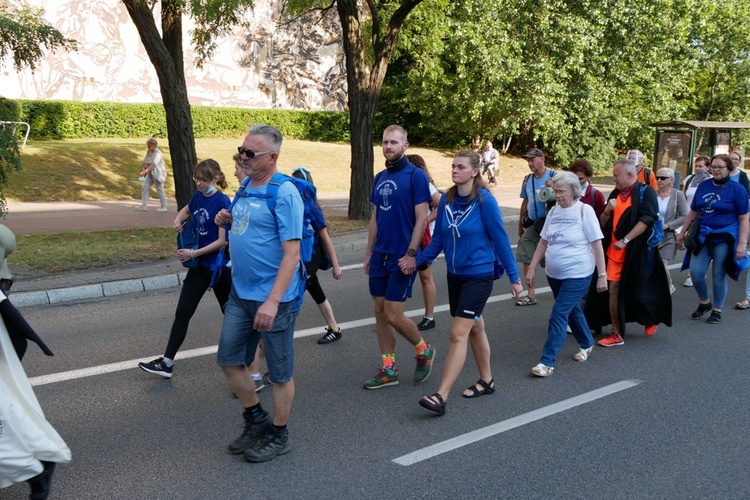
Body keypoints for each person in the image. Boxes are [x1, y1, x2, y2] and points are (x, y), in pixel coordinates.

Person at [214, 124, 304, 463]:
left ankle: (279, 435)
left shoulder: (284, 193)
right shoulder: (246, 186)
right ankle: (255, 419)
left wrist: (272, 301)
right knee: (229, 359)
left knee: (280, 373)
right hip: (241, 292)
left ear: (273, 157)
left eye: (251, 153)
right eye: (242, 150)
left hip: (274, 300)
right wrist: (228, 215)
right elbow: (245, 224)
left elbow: (292, 255)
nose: (243, 157)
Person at [409, 150, 522, 414]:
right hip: (455, 275)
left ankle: (441, 396)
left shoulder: (485, 201)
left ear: (474, 172)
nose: (454, 170)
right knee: (474, 327)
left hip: (478, 275)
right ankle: (487, 379)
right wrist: (417, 260)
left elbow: (500, 240)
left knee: (458, 333)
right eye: (453, 166)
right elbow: (439, 240)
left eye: (460, 167)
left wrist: (514, 277)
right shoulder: (447, 199)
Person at [138, 159, 232, 378]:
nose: (198, 183)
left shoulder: (222, 201)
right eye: (196, 178)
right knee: (182, 313)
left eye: (203, 179)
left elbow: (222, 242)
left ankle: (254, 357)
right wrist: (177, 220)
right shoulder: (198, 196)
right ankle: (167, 363)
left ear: (215, 179)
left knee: (232, 316)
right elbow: (186, 209)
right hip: (198, 267)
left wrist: (193, 253)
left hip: (218, 269)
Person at [362, 125, 434, 390]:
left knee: (393, 315)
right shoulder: (380, 176)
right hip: (380, 255)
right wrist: (369, 253)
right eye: (385, 142)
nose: (388, 147)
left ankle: (423, 350)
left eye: (394, 142)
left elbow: (421, 218)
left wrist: (412, 254)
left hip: (402, 256)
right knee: (380, 313)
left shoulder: (416, 175)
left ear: (405, 146)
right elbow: (376, 218)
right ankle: (388, 368)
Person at [526, 171, 607, 377]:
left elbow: (596, 244)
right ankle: (587, 342)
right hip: (554, 273)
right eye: (555, 191)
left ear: (573, 191)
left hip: (578, 272)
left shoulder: (584, 211)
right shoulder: (553, 212)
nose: (557, 195)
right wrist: (533, 267)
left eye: (561, 191)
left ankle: (547, 362)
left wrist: (602, 274)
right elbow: (543, 242)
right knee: (571, 311)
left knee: (559, 314)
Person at [587, 158, 672, 346]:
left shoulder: (646, 192)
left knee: (639, 290)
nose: (613, 179)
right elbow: (602, 222)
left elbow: (647, 219)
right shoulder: (616, 193)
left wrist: (626, 240)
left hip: (637, 252)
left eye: (616, 175)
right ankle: (617, 334)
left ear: (630, 174)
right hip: (614, 252)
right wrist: (607, 211)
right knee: (612, 289)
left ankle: (651, 318)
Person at [676, 154, 750, 324]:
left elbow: (744, 218)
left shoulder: (737, 189)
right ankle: (704, 302)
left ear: (729, 169)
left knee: (718, 274)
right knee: (696, 272)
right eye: (713, 167)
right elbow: (693, 211)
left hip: (725, 236)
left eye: (720, 167)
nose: (716, 170)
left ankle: (717, 309)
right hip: (703, 235)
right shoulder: (704, 186)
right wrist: (681, 233)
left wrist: (741, 244)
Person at [290, 167, 345, 344]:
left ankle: (279, 336)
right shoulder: (293, 206)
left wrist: (335, 265)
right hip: (299, 256)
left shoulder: (312, 209)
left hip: (311, 257)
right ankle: (334, 328)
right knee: (316, 291)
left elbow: (326, 238)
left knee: (294, 293)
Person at [231, 153, 271, 391]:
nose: (235, 172)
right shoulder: (241, 195)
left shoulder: (272, 194)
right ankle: (261, 370)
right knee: (255, 330)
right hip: (240, 277)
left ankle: (257, 375)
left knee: (256, 331)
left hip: (261, 280)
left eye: (237, 167)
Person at [516, 148, 556, 306]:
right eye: (528, 160)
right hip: (533, 225)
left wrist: (554, 186)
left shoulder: (555, 176)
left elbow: (568, 198)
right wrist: (520, 224)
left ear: (542, 159)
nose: (529, 163)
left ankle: (559, 291)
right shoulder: (527, 180)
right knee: (526, 255)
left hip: (551, 226)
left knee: (552, 260)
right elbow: (525, 202)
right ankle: (531, 293)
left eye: (532, 160)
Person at [407, 154, 441, 331]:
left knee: (425, 277)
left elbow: (442, 204)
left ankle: (429, 317)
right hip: (407, 236)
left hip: (424, 238)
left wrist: (426, 220)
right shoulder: (407, 184)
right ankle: (394, 315)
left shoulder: (425, 184)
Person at [655, 167, 688, 294]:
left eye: (663, 178)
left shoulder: (677, 195)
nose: (659, 180)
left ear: (671, 180)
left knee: (662, 264)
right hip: (653, 235)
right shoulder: (653, 193)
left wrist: (668, 225)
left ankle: (668, 287)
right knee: (653, 265)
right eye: (657, 177)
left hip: (668, 236)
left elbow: (684, 216)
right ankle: (659, 288)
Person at [681, 156, 711, 287]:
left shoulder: (711, 181)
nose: (698, 169)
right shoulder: (689, 179)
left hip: (701, 219)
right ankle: (695, 272)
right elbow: (683, 197)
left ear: (708, 167)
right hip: (688, 217)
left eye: (701, 166)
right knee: (689, 244)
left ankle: (693, 274)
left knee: (695, 246)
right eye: (696, 166)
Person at [138, 137, 168, 212]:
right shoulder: (149, 151)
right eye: (147, 145)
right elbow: (146, 161)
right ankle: (144, 205)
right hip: (150, 173)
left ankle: (164, 206)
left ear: (154, 145)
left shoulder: (158, 153)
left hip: (158, 173)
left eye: (149, 145)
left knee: (160, 189)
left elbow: (154, 164)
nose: (148, 147)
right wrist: (145, 171)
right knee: (145, 187)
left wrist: (145, 171)